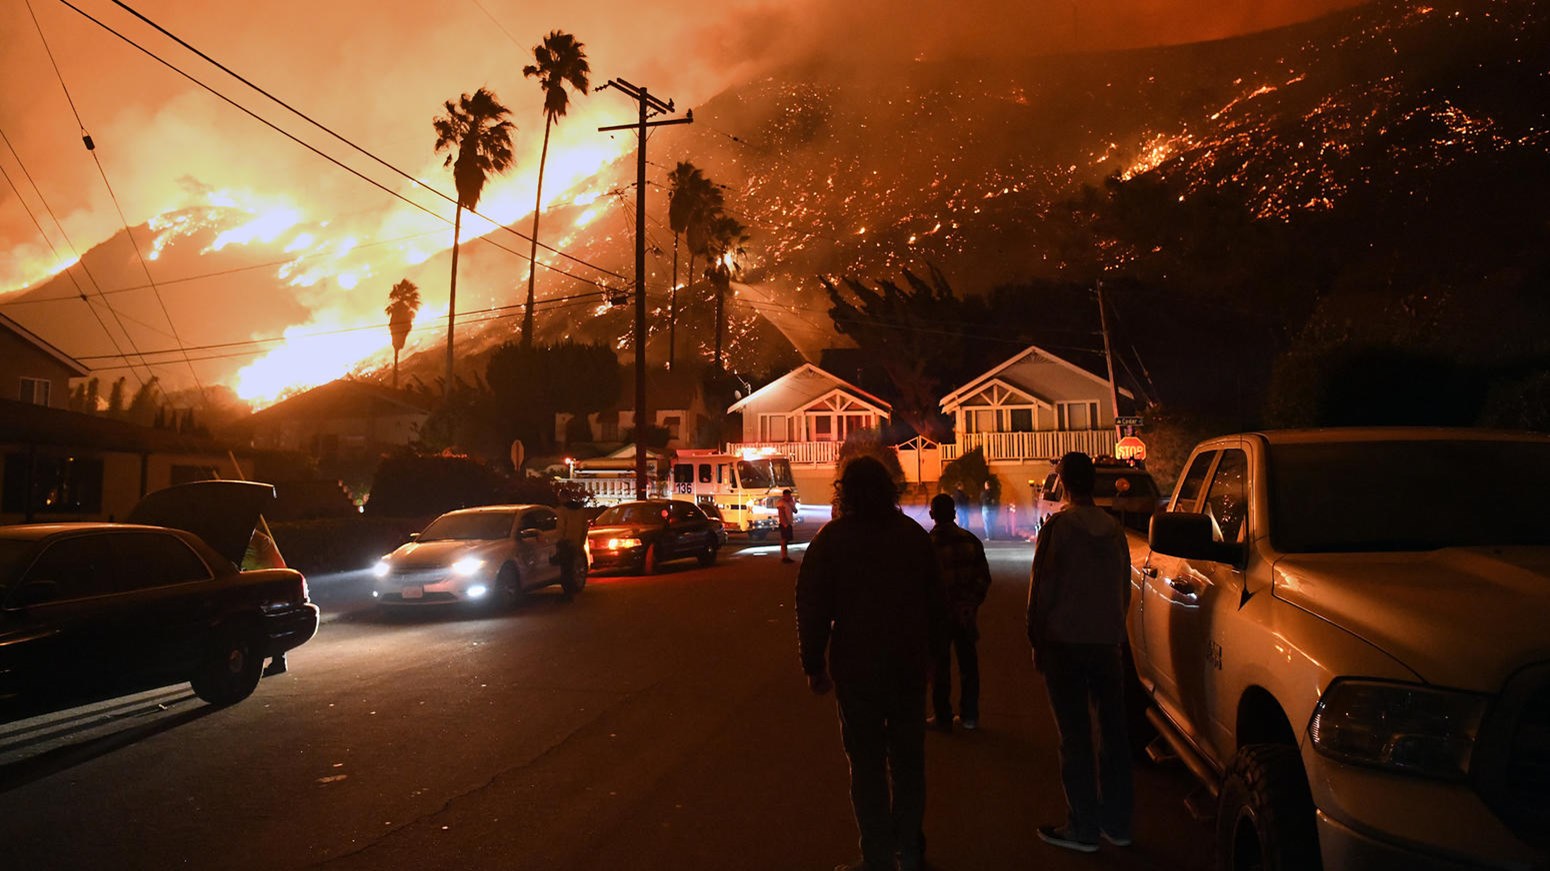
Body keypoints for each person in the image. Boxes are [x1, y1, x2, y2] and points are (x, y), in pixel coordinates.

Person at [797, 456, 948, 871]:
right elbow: (937, 603)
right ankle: (910, 850)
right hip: (908, 664)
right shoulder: (912, 537)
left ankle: (877, 856)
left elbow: (811, 606)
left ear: (844, 493)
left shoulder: (832, 540)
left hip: (857, 667)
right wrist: (935, 658)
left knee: (865, 765)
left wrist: (814, 664)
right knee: (908, 761)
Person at [1027, 451, 1134, 853]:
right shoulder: (1113, 528)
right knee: (1113, 733)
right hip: (1106, 642)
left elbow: (1042, 588)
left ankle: (1082, 826)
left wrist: (1035, 638)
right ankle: (1117, 822)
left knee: (1075, 736)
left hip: (1064, 643)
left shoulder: (1059, 527)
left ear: (1064, 482)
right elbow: (1123, 587)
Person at [926, 493, 992, 732]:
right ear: (954, 513)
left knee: (939, 667)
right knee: (968, 666)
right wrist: (970, 604)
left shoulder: (927, 545)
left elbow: (920, 584)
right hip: (965, 615)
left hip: (938, 616)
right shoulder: (971, 541)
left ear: (932, 515)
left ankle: (943, 716)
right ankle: (969, 716)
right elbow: (983, 578)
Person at [777, 488, 798, 563]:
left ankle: (786, 556)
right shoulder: (781, 503)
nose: (789, 496)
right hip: (784, 524)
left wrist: (792, 504)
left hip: (789, 523)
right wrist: (785, 523)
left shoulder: (790, 502)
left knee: (787, 540)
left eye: (790, 495)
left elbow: (795, 511)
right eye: (788, 495)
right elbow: (781, 514)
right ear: (784, 495)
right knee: (784, 540)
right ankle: (784, 556)